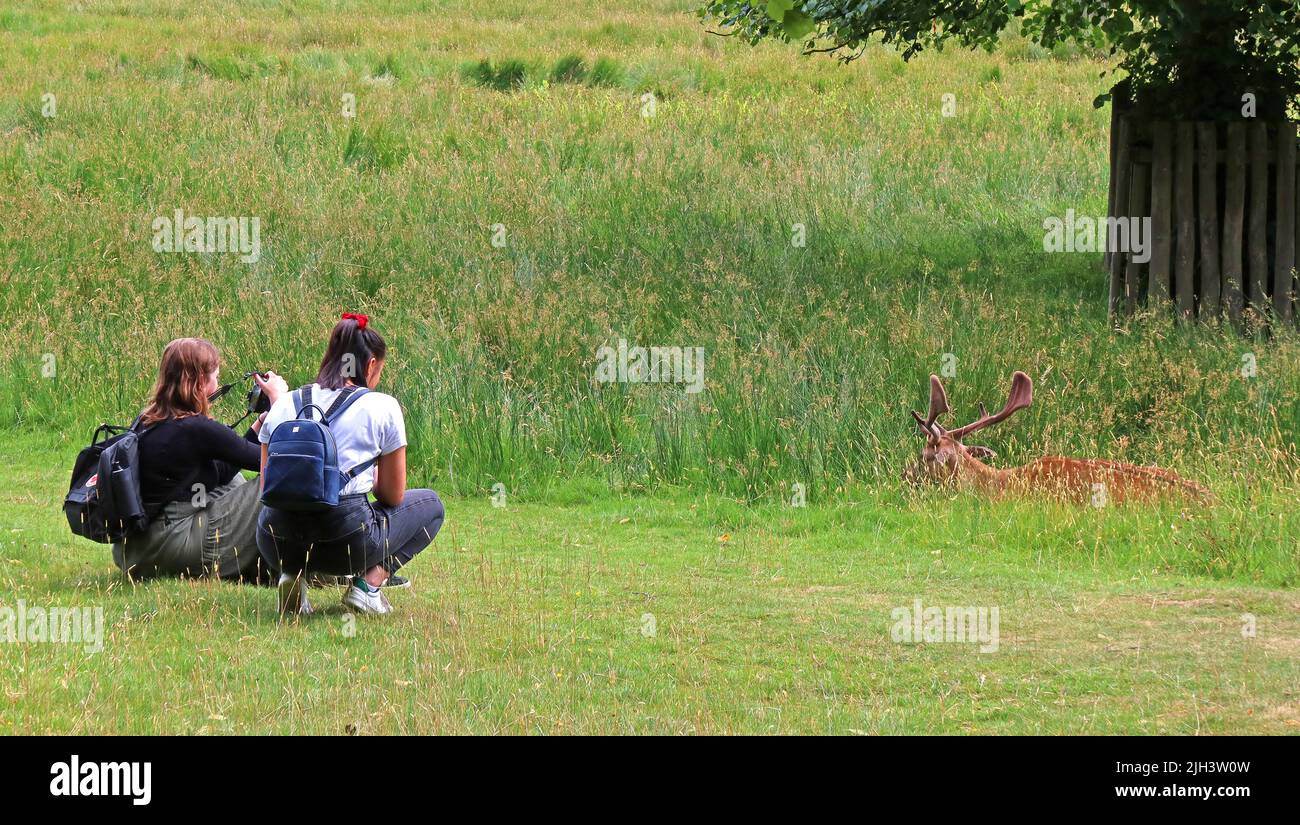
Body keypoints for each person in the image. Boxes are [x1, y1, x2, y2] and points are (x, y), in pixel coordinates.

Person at [255, 313, 445, 617]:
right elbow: (392, 497)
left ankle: (292, 575)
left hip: (274, 537)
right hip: (345, 541)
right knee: (432, 505)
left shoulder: (284, 403)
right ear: (370, 365)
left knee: (288, 516)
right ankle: (368, 587)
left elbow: (267, 488)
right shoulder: (382, 406)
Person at [112, 338, 288, 583]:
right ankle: (287, 567)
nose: (218, 382)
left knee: (233, 480)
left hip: (133, 550)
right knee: (275, 483)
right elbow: (271, 462)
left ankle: (256, 560)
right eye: (215, 376)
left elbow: (226, 468)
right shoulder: (195, 429)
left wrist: (260, 424)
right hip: (168, 543)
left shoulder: (148, 419)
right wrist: (281, 404)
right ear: (199, 381)